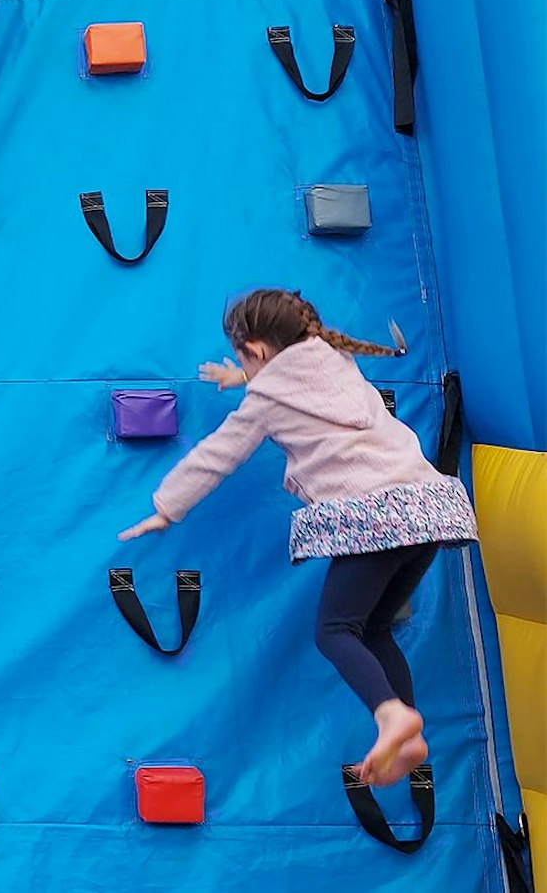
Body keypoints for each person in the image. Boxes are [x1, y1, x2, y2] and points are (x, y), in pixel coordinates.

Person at [119, 289, 478, 788]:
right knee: (371, 629)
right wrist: (241, 377)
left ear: (259, 350)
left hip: (376, 516)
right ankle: (407, 732)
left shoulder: (266, 400)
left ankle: (392, 718)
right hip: (431, 511)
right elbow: (295, 380)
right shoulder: (334, 358)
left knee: (334, 631)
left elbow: (216, 455)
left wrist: (165, 508)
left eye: (243, 357)